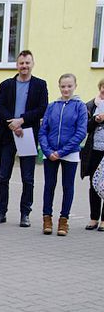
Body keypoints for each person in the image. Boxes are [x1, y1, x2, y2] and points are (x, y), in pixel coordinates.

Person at [0, 50, 49, 227]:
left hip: (28, 134)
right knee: (3, 176)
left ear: (32, 64)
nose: (24, 66)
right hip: (8, 134)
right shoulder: (6, 84)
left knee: (28, 178)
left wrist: (21, 120)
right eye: (21, 63)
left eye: (27, 63)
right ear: (17, 65)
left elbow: (42, 108)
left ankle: (25, 213)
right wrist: (11, 123)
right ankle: (1, 212)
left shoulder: (40, 85)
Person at [38, 73, 88, 236]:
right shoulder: (52, 106)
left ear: (75, 86)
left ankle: (63, 220)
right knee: (49, 185)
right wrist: (48, 150)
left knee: (68, 187)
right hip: (50, 153)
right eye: (63, 86)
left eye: (69, 86)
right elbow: (43, 130)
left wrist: (62, 151)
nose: (66, 89)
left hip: (69, 153)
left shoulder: (80, 106)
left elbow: (81, 132)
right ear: (59, 87)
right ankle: (47, 219)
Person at [80, 78, 104, 231]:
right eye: (103, 90)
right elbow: (85, 128)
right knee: (94, 184)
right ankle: (94, 218)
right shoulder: (91, 105)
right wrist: (95, 120)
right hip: (94, 150)